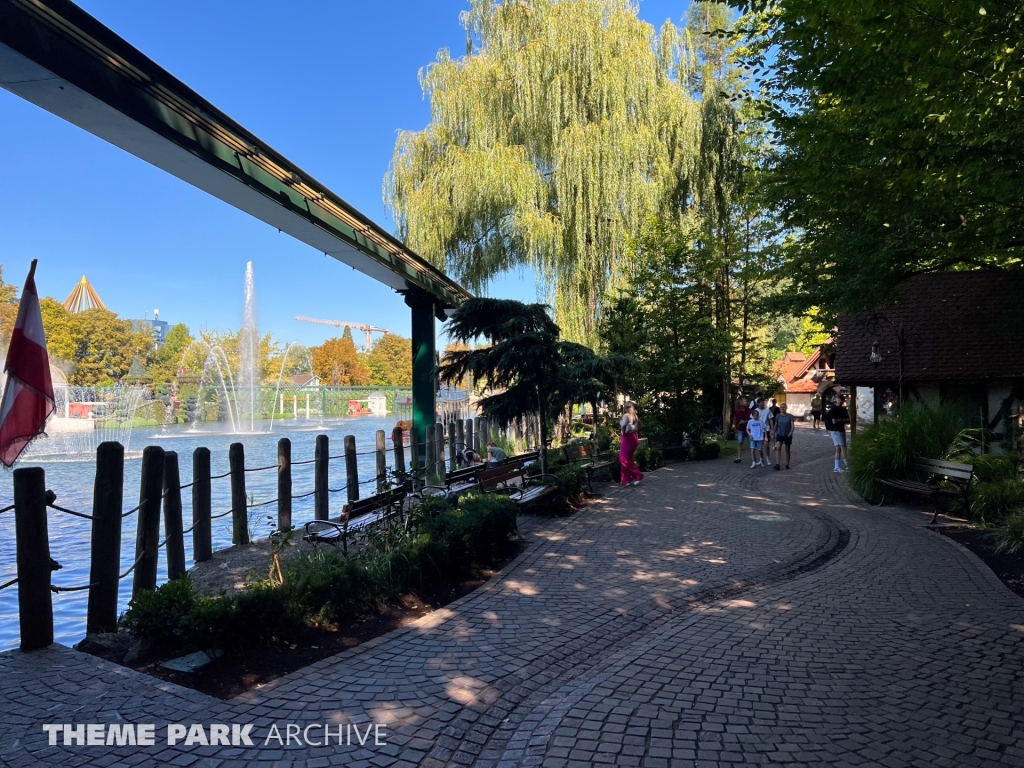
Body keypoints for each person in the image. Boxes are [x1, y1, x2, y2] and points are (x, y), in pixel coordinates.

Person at [619, 401, 644, 485]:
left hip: (627, 437)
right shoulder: (635, 416)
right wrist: (635, 428)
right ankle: (625, 480)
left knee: (623, 459)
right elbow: (640, 425)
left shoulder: (626, 415)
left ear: (625, 408)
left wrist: (623, 433)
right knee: (628, 458)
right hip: (634, 437)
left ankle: (638, 475)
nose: (627, 409)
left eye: (627, 407)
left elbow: (623, 426)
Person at [823, 395, 850, 472]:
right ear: (835, 400)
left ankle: (836, 467)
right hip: (835, 430)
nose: (839, 401)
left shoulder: (844, 409)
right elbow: (834, 421)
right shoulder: (833, 409)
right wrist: (843, 420)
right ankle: (847, 466)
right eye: (838, 399)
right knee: (843, 447)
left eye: (841, 399)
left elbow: (848, 420)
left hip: (840, 429)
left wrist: (839, 420)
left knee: (838, 448)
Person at [773, 402, 796, 470]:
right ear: (780, 409)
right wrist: (773, 432)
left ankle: (787, 464)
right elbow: (776, 425)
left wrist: (791, 432)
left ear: (786, 408)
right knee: (778, 448)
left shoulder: (790, 416)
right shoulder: (778, 416)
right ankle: (777, 464)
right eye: (781, 407)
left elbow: (792, 425)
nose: (782, 409)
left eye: (784, 407)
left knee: (787, 450)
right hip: (780, 434)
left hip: (787, 435)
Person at [732, 396, 751, 464]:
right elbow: (735, 419)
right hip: (740, 429)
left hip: (748, 430)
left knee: (751, 443)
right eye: (745, 401)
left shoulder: (750, 410)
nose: (746, 403)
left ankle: (753, 458)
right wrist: (734, 426)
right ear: (741, 403)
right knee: (740, 442)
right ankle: (738, 457)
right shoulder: (737, 411)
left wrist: (745, 422)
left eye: (746, 401)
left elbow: (752, 420)